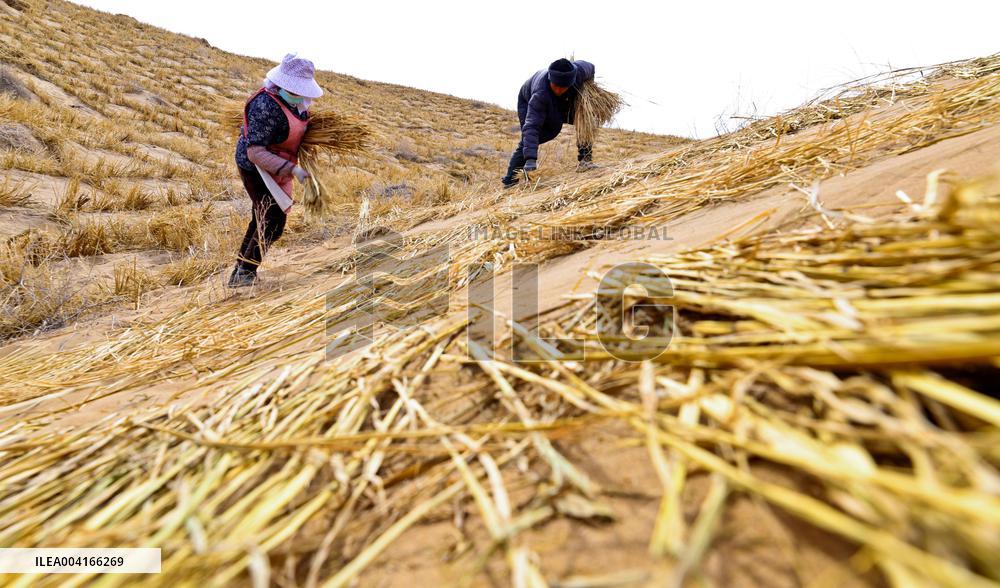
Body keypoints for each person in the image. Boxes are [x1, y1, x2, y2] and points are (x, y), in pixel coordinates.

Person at [229, 53, 323, 288]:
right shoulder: (265, 106)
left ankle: (241, 270)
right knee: (272, 219)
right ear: (281, 84)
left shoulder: (298, 104)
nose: (298, 94)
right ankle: (245, 273)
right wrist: (293, 170)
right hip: (254, 167)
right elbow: (255, 152)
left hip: (278, 164)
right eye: (293, 89)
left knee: (262, 217)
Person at [501, 58, 596, 188]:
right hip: (527, 99)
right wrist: (530, 159)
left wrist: (587, 93)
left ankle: (585, 159)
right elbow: (531, 127)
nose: (558, 90)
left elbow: (591, 67)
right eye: (555, 86)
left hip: (564, 101)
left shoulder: (580, 72)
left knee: (586, 118)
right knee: (530, 138)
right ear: (550, 79)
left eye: (563, 87)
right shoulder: (540, 94)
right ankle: (510, 181)